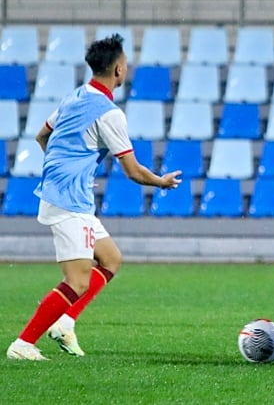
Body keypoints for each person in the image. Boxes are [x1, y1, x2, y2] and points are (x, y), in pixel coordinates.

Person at [6, 34, 182, 361]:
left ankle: (65, 321)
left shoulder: (74, 98)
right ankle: (23, 343)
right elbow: (132, 170)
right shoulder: (109, 113)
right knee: (77, 280)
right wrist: (161, 182)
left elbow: (42, 134)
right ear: (118, 69)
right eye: (126, 64)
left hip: (68, 195)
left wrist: (68, 169)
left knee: (111, 258)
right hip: (68, 201)